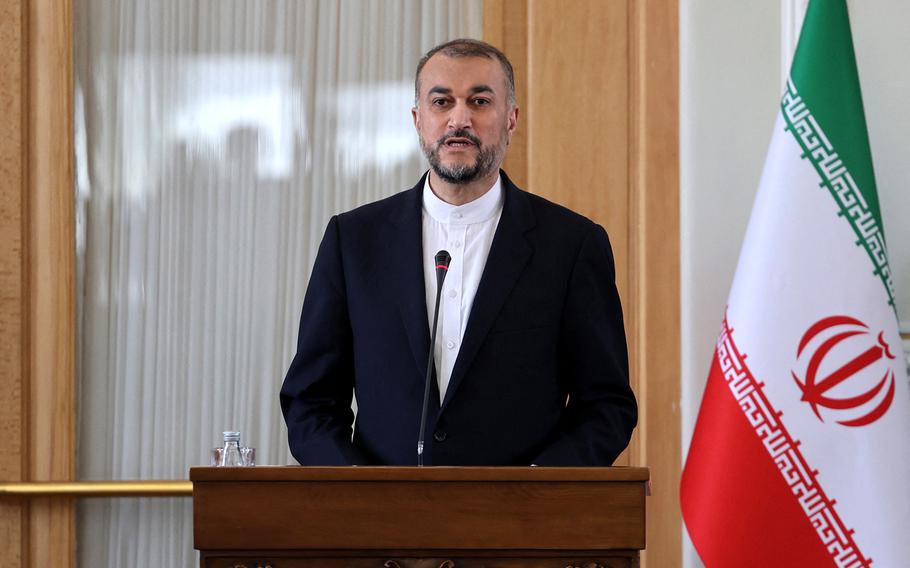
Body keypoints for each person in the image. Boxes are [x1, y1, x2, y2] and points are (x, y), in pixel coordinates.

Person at [280, 39, 636, 466]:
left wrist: (537, 488)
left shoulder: (572, 245)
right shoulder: (353, 240)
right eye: (442, 101)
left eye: (480, 101)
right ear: (418, 119)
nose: (459, 119)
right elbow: (310, 402)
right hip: (381, 525)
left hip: (521, 525)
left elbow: (606, 406)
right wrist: (357, 489)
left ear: (511, 120)